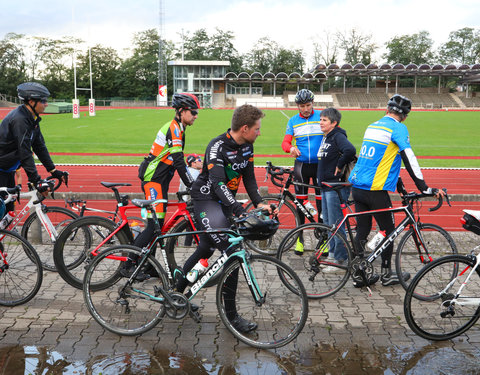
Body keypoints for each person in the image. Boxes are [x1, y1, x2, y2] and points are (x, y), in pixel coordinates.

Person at [175, 104, 275, 333]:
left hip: (225, 202)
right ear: (245, 128)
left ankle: (176, 292)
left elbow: (249, 180)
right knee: (232, 253)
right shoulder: (217, 146)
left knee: (205, 249)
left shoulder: (247, 148)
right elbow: (219, 184)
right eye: (257, 129)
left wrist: (259, 203)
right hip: (206, 200)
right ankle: (231, 317)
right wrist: (239, 210)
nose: (259, 132)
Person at [349, 94, 445, 287]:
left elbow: (385, 160)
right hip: (375, 190)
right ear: (405, 116)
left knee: (362, 229)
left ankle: (359, 274)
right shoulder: (398, 128)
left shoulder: (372, 126)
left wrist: (400, 187)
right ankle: (387, 274)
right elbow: (409, 158)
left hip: (357, 186)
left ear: (386, 110)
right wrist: (424, 188)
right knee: (388, 231)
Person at [128, 93, 199, 272]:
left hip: (161, 181)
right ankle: (128, 265)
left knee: (159, 227)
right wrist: (192, 185)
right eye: (193, 112)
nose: (196, 116)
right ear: (182, 111)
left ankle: (148, 266)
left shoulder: (180, 129)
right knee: (154, 226)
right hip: (153, 179)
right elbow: (179, 161)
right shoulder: (174, 129)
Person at [0, 82, 67, 211]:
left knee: (8, 212)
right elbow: (24, 152)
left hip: (7, 170)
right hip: (1, 170)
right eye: (43, 101)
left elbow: (39, 146)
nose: (46, 104)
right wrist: (36, 180)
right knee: (2, 212)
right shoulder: (20, 120)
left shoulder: (32, 118)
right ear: (31, 102)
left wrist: (53, 170)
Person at [281, 89, 323, 255]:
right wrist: (291, 148)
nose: (305, 109)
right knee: (301, 204)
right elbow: (285, 143)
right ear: (297, 106)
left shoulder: (322, 116)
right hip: (301, 167)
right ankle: (300, 240)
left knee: (322, 204)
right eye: (302, 106)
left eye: (308, 105)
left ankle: (323, 239)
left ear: (313, 103)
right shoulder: (293, 121)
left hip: (320, 166)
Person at [316, 108, 356, 270]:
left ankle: (340, 260)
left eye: (324, 120)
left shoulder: (338, 136)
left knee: (336, 223)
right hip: (326, 186)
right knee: (328, 223)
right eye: (320, 120)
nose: (321, 122)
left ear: (334, 123)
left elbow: (350, 150)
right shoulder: (327, 137)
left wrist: (339, 166)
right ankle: (332, 256)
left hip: (335, 187)